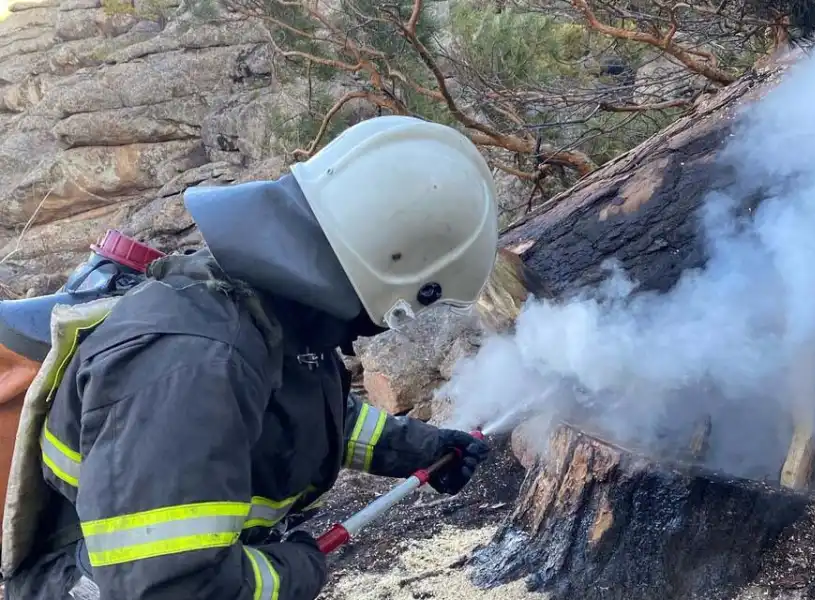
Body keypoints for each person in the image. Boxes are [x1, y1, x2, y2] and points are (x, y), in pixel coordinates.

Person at [5, 115, 499, 600]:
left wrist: (425, 449)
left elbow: (306, 413)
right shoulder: (196, 365)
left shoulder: (275, 309)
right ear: (389, 277)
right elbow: (175, 587)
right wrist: (298, 567)